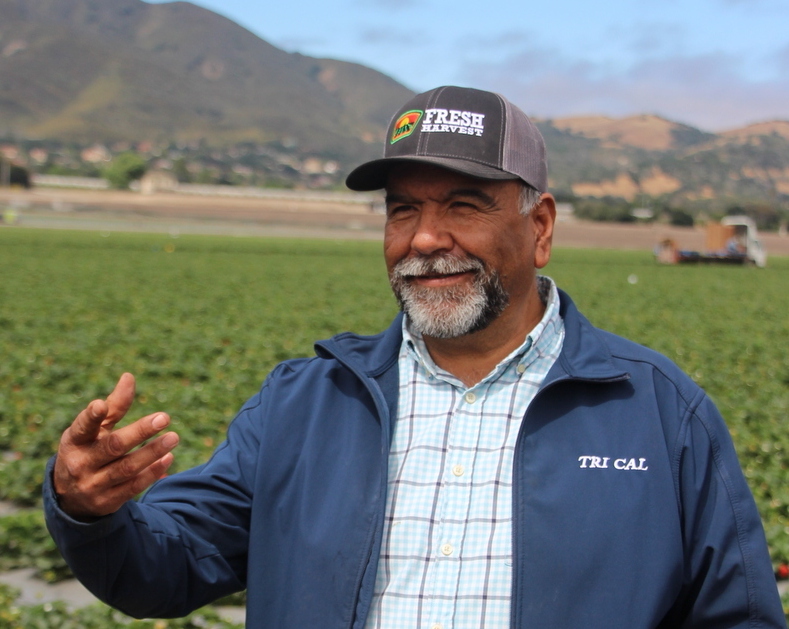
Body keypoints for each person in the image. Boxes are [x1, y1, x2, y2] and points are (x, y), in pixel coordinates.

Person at [45, 86, 786, 628]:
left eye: (463, 204)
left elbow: (737, 615)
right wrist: (88, 511)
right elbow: (164, 569)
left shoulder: (656, 410)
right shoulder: (307, 401)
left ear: (540, 227)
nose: (425, 238)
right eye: (404, 208)